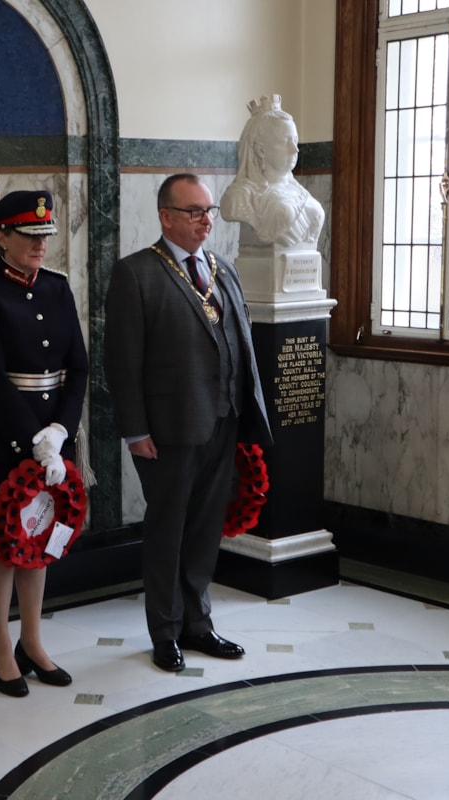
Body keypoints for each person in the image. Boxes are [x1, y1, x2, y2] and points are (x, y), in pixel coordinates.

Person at [104, 174, 272, 672]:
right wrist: (135, 430)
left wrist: (247, 412)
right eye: (194, 211)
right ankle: (165, 630)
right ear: (166, 216)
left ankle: (199, 623)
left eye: (209, 211)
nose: (206, 220)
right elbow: (122, 360)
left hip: (223, 419)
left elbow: (241, 343)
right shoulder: (136, 273)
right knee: (169, 530)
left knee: (203, 530)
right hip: (168, 429)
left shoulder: (223, 269)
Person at [0, 190, 88, 697]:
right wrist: (34, 438)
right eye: (30, 236)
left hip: (54, 435)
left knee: (39, 542)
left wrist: (60, 431)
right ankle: (1, 648)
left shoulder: (57, 287)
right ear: (1, 237)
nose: (40, 245)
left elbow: (77, 368)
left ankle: (32, 642)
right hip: (4, 436)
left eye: (45, 236)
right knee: (4, 545)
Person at [219, 94, 325, 248]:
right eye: (285, 141)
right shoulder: (240, 197)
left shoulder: (300, 192)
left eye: (295, 141)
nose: (295, 149)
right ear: (260, 150)